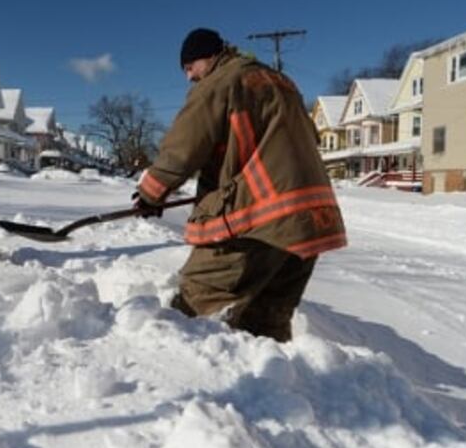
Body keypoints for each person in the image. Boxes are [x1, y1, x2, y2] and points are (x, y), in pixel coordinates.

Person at [134, 28, 346, 341]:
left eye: (190, 68)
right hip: (310, 222)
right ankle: (270, 385)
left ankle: (170, 376)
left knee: (190, 309)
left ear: (206, 57)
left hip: (261, 219)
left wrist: (150, 193)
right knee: (265, 324)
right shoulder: (281, 82)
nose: (190, 78)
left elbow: (183, 149)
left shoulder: (220, 83)